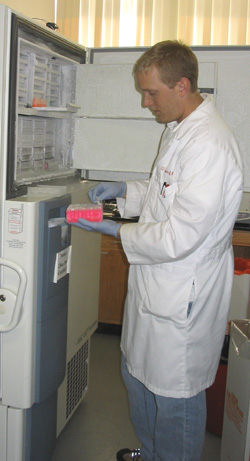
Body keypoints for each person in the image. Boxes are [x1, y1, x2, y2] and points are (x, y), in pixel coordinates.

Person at [71, 41, 244, 460]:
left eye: (152, 93)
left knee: (175, 397)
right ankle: (151, 454)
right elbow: (165, 194)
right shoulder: (179, 128)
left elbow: (179, 236)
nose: (146, 102)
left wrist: (116, 230)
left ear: (182, 85)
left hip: (182, 289)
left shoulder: (209, 144)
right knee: (137, 377)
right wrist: (125, 191)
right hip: (157, 283)